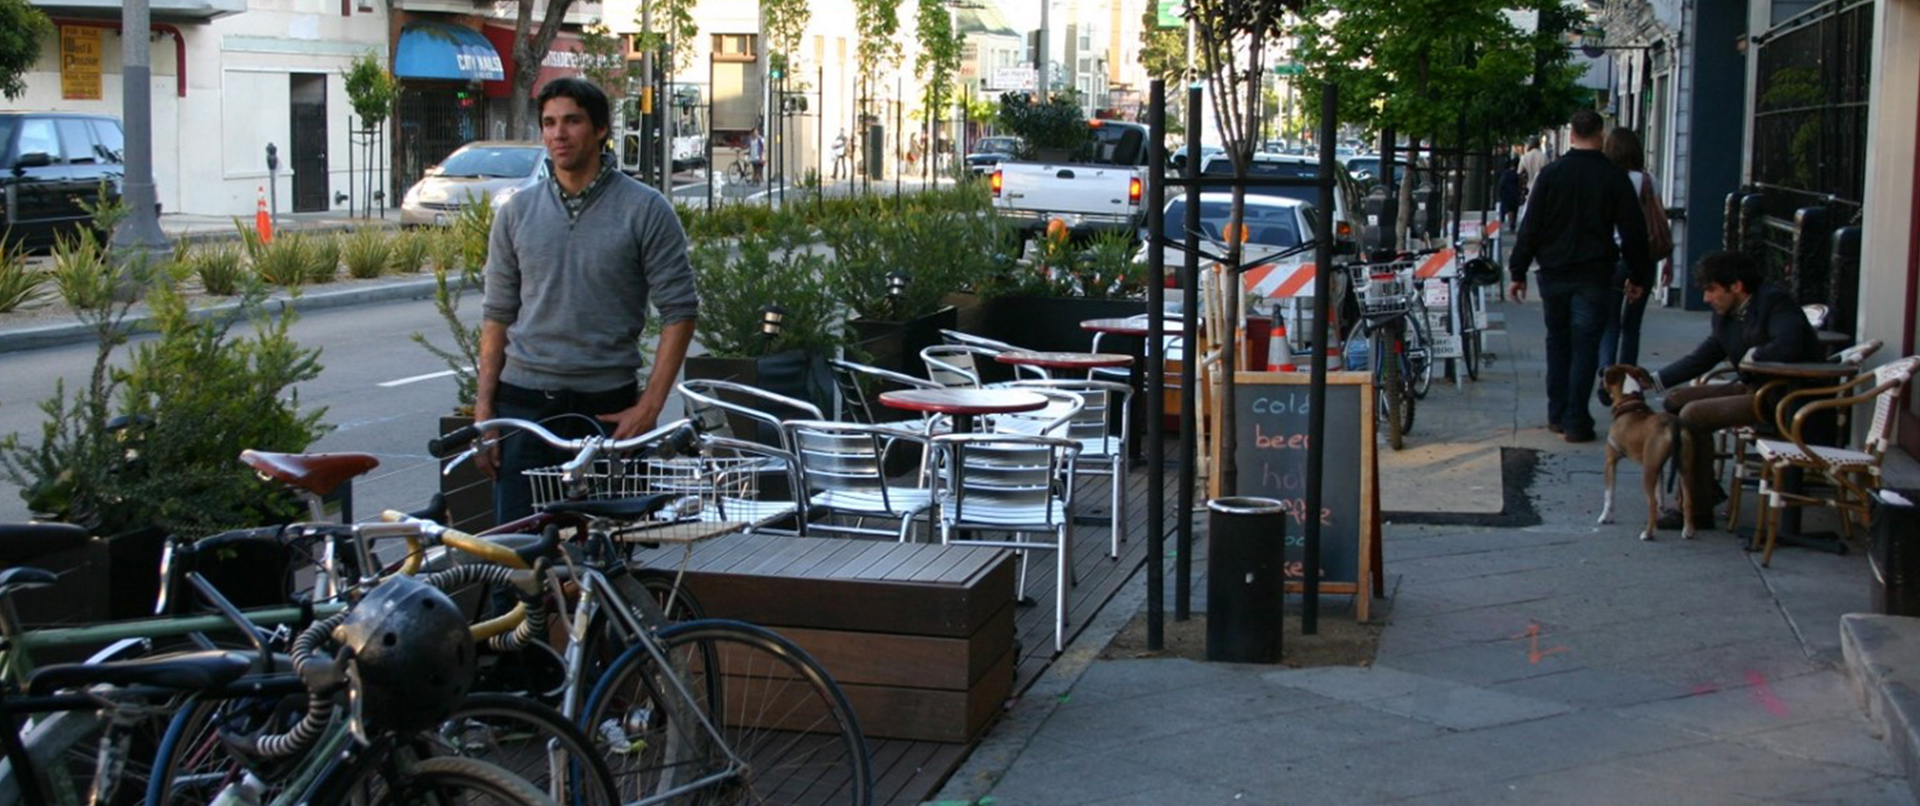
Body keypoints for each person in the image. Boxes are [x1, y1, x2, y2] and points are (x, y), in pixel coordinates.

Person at [477, 77, 700, 523]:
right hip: (523, 406)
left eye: (572, 121)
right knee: (520, 560)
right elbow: (497, 315)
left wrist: (649, 408)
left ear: (600, 129)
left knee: (608, 557)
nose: (558, 134)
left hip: (606, 406)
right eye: (549, 123)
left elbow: (680, 311)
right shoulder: (516, 212)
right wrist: (485, 411)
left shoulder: (645, 209)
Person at [1506, 109, 1654, 443]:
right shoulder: (1613, 177)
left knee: (1557, 340)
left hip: (1554, 272)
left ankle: (1557, 413)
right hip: (1594, 273)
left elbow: (1531, 225)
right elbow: (1632, 230)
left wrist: (1518, 270)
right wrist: (1638, 274)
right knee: (1586, 344)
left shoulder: (1553, 174)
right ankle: (1576, 417)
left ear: (1571, 135)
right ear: (1601, 135)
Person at [1652, 250, 1822, 528]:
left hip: (1782, 397)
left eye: (1711, 290)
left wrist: (1756, 355)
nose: (1706, 298)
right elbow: (1703, 356)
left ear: (1737, 286)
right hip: (1752, 387)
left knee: (1694, 414)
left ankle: (1696, 510)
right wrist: (1653, 380)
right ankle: (1703, 490)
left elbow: (1789, 343)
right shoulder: (1726, 313)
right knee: (1674, 402)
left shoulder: (1774, 302)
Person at [1596, 126, 1667, 400]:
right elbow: (1659, 220)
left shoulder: (1605, 179)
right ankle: (1626, 381)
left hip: (1612, 258)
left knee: (1609, 322)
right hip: (1643, 257)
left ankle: (1606, 374)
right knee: (1632, 325)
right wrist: (1667, 261)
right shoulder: (1649, 181)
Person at [1518, 136, 1548, 200]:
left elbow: (1519, 173)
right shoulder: (1543, 157)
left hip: (1529, 188)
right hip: (1541, 188)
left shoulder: (1525, 158)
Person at [1497, 156, 1523, 228]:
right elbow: (1520, 184)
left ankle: (1503, 222)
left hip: (1506, 194)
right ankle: (1512, 223)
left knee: (1508, 209)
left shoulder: (1505, 174)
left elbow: (1501, 185)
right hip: (1514, 194)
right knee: (1514, 209)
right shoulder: (1517, 175)